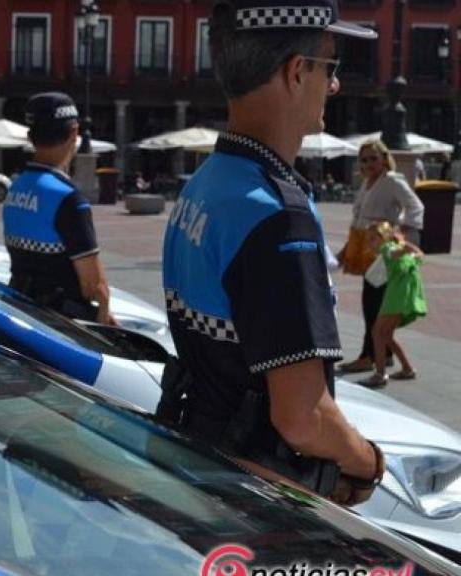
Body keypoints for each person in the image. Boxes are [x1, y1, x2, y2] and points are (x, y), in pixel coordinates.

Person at [159, 0, 383, 505]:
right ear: (297, 71)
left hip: (197, 458)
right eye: (331, 67)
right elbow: (302, 417)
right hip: (249, 497)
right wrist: (369, 463)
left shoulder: (207, 184)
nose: (336, 84)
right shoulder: (277, 216)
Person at [2, 92, 114, 325]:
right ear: (74, 133)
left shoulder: (16, 188)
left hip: (18, 309)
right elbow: (94, 286)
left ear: (31, 137)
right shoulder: (68, 198)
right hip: (59, 325)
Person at [337, 140, 424, 374]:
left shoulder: (392, 180)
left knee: (373, 302)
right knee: (372, 301)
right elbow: (360, 217)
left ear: (384, 158)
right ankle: (382, 355)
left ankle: (369, 357)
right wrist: (348, 247)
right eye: (364, 160)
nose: (368, 164)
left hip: (381, 248)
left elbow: (416, 207)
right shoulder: (366, 183)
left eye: (373, 158)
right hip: (365, 245)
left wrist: (401, 233)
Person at [362, 221, 427, 388]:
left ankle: (380, 373)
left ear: (384, 238)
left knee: (377, 332)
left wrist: (402, 244)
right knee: (386, 334)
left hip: (395, 296)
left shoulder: (387, 249)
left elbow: (400, 251)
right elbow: (419, 254)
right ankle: (407, 368)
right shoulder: (390, 247)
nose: (369, 242)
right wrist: (405, 246)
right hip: (402, 295)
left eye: (373, 239)